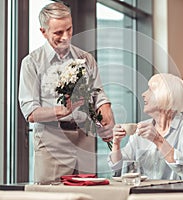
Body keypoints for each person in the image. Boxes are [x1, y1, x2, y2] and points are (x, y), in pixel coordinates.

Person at [18, 1, 114, 183]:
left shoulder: (86, 59)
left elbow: (98, 93)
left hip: (84, 140)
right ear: (43, 32)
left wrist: (105, 107)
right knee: (51, 196)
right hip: (52, 142)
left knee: (88, 195)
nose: (66, 37)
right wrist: (60, 111)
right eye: (58, 32)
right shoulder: (32, 63)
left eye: (69, 29)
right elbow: (30, 112)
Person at [108, 73, 183, 180]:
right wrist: (116, 143)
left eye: (150, 90)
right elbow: (118, 169)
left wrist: (158, 140)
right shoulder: (141, 128)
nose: (143, 94)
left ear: (166, 95)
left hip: (175, 194)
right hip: (143, 194)